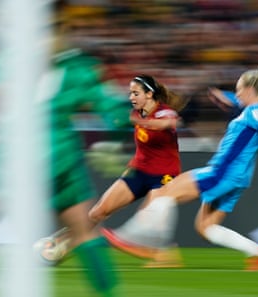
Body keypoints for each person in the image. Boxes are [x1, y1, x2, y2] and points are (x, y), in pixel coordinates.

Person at [0, 1, 131, 296]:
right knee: (84, 233)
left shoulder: (11, 60)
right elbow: (112, 108)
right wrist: (115, 140)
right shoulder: (80, 68)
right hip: (62, 156)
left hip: (16, 152)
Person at [103, 63, 258, 271]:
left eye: (238, 90)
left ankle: (137, 239)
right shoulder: (257, 109)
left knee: (164, 194)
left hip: (221, 173)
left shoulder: (255, 113)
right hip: (237, 179)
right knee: (205, 228)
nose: (237, 94)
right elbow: (253, 114)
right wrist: (228, 98)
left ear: (251, 90)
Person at [37, 74, 187, 268]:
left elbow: (166, 124)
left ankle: (166, 254)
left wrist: (138, 122)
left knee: (149, 217)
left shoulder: (164, 112)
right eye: (130, 93)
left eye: (135, 93)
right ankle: (60, 246)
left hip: (164, 175)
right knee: (99, 211)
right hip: (138, 171)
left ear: (149, 94)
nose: (131, 97)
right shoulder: (135, 113)